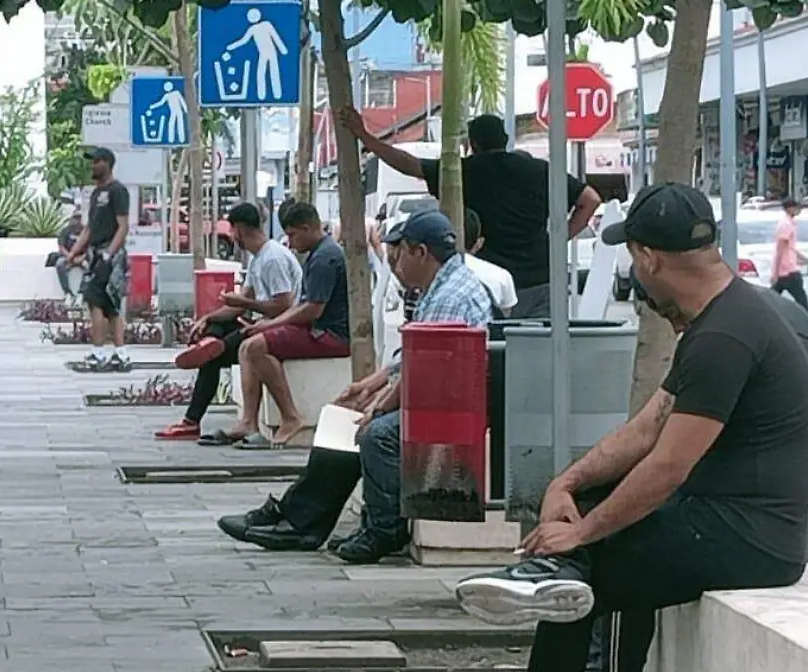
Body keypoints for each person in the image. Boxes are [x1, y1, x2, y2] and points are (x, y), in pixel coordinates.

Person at [437, 183, 808, 672]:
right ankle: (544, 578)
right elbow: (647, 427)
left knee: (575, 591)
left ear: (647, 258)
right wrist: (568, 483)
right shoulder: (725, 317)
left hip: (752, 540)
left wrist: (583, 533)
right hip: (722, 518)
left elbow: (668, 464)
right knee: (584, 547)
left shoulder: (727, 337)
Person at [554, 258, 808, 672]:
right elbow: (660, 432)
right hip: (742, 500)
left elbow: (687, 455)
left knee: (627, 543)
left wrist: (606, 520)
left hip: (792, 517)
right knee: (611, 503)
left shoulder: (756, 332)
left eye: (671, 317)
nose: (674, 327)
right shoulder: (728, 323)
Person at [219, 210, 494, 563]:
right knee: (342, 421)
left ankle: (383, 529)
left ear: (421, 253)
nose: (396, 264)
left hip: (454, 404)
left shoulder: (450, 295)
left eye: (400, 255)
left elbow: (427, 369)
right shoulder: (441, 287)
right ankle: (302, 519)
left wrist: (379, 406)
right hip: (440, 393)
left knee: (375, 433)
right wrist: (371, 384)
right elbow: (412, 358)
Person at [340, 110, 601, 318]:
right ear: (506, 140)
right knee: (536, 361)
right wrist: (559, 238)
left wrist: (365, 136)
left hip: (485, 282)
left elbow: (407, 163)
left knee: (491, 362)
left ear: (473, 144)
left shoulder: (465, 171)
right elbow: (591, 200)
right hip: (540, 280)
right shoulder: (539, 170)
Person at [156, 202, 301, 442]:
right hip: (258, 324)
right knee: (214, 332)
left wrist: (245, 304)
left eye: (232, 231)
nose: (232, 237)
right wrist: (207, 318)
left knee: (211, 356)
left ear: (240, 230)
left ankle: (193, 420)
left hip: (276, 327)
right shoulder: (258, 258)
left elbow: (284, 306)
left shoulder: (272, 259)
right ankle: (211, 342)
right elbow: (241, 304)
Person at [224, 200, 350, 450]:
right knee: (248, 346)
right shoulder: (319, 253)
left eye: (292, 235)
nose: (290, 243)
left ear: (306, 228)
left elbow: (313, 308)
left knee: (255, 346)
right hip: (315, 328)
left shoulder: (325, 257)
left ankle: (291, 416)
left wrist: (270, 325)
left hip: (329, 334)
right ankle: (249, 421)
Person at [64, 147, 131, 371]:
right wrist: (73, 253)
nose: (93, 166)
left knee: (98, 301)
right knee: (107, 305)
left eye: (97, 161)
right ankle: (119, 354)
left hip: (110, 255)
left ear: (107, 164)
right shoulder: (95, 194)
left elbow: (123, 226)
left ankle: (100, 352)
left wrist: (109, 254)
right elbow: (89, 228)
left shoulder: (118, 191)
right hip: (96, 254)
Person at [771, 196, 808, 308]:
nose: (798, 210)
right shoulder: (785, 225)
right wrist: (775, 273)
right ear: (789, 209)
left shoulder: (789, 223)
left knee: (772, 302)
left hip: (786, 270)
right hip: (787, 272)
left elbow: (790, 249)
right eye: (796, 207)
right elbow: (780, 250)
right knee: (802, 303)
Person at [53, 208, 84, 303]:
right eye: (75, 218)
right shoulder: (65, 231)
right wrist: (69, 257)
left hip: (82, 257)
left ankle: (81, 293)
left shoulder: (86, 231)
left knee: (92, 266)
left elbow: (91, 247)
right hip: (67, 256)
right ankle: (68, 293)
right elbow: (61, 247)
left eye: (79, 218)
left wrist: (82, 258)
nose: (77, 220)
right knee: (59, 264)